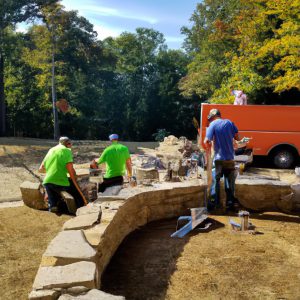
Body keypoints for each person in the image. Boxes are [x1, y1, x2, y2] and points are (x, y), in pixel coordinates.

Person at [204, 109, 242, 211]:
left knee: (216, 181)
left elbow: (207, 141)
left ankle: (216, 204)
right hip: (230, 158)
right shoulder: (229, 122)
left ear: (213, 117)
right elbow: (238, 138)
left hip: (218, 159)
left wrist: (208, 146)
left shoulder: (212, 125)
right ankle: (230, 204)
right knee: (229, 182)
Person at [39, 137, 85, 213]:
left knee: (52, 194)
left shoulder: (51, 150)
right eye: (70, 144)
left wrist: (52, 170)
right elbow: (70, 169)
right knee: (76, 193)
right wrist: (74, 175)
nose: (71, 146)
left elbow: (41, 169)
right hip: (61, 182)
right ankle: (81, 206)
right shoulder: (67, 150)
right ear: (67, 144)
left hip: (48, 182)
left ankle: (53, 205)